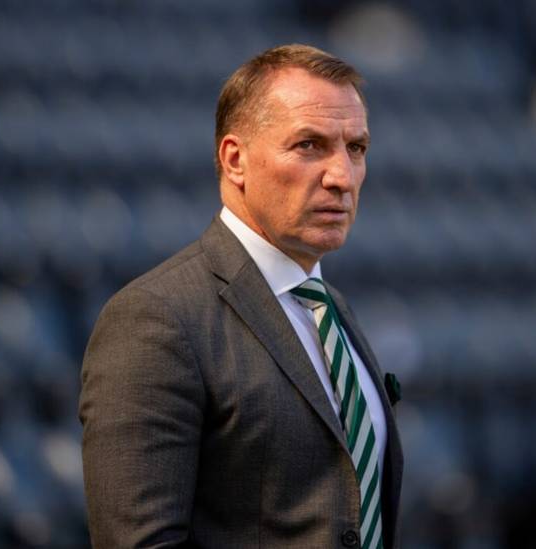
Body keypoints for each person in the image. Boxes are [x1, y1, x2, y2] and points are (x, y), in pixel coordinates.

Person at [79, 44, 403, 548]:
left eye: (356, 148)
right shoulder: (155, 319)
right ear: (235, 160)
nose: (341, 176)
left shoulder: (330, 307)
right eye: (309, 145)